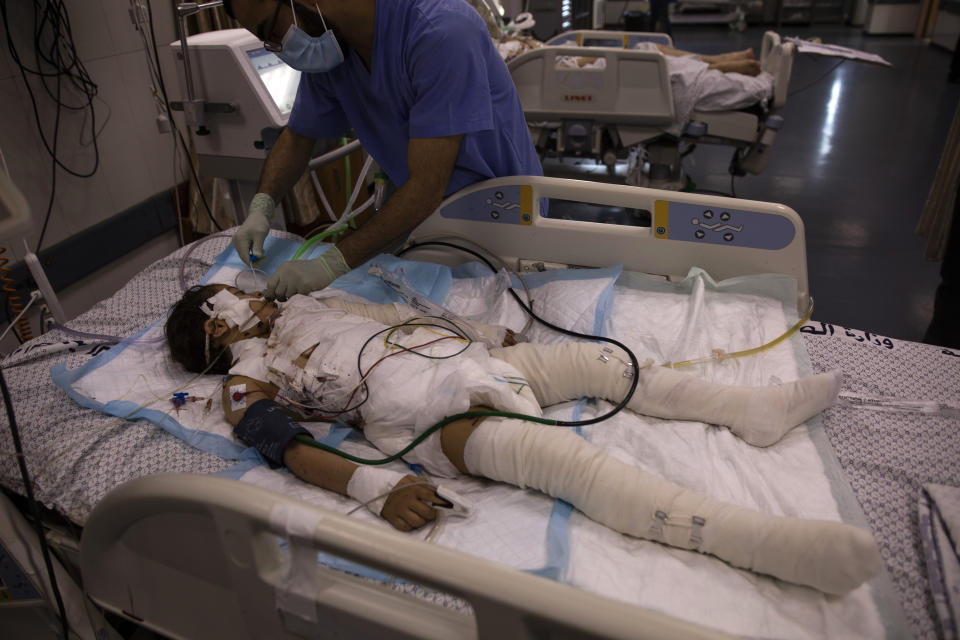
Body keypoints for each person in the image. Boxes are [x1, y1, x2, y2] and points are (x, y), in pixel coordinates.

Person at [164, 283, 882, 595]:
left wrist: (485, 334)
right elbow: (280, 444)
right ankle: (756, 540)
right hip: (425, 416)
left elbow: (383, 314)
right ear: (216, 326)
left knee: (609, 364)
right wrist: (374, 487)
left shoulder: (308, 304)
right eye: (232, 299)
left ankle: (746, 409)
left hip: (463, 360)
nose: (250, 293)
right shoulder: (248, 376)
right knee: (570, 464)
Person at [221, 0, 543, 300]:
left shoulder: (441, 31)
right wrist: (261, 207)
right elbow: (298, 137)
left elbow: (426, 187)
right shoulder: (334, 48)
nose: (280, 49)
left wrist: (330, 265)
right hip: (432, 226)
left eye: (273, 32)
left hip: (503, 220)